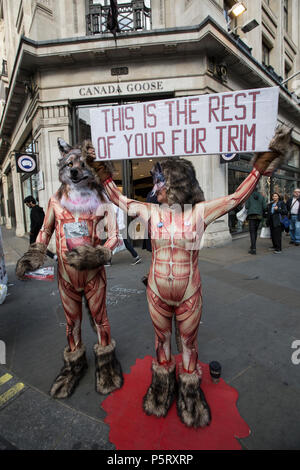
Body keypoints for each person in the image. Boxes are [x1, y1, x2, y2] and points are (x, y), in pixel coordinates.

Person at [85, 127, 291, 429]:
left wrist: (262, 164)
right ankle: (161, 387)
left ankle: (190, 395)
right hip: (156, 290)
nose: (156, 186)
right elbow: (116, 197)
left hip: (189, 293)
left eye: (160, 181)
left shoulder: (199, 213)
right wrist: (100, 169)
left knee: (189, 344)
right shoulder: (149, 211)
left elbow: (236, 197)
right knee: (161, 341)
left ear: (175, 183)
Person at [24, 196, 57, 260]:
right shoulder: (39, 209)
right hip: (39, 231)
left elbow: (38, 221)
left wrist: (32, 231)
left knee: (36, 248)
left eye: (27, 204)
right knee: (38, 248)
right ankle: (54, 257)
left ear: (31, 202)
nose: (27, 205)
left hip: (35, 234)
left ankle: (54, 257)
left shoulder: (34, 210)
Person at [245, 188, 267, 254]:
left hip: (251, 216)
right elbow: (264, 207)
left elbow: (246, 206)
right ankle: (253, 246)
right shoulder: (262, 197)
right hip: (259, 216)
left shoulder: (249, 196)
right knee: (255, 231)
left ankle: (253, 248)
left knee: (252, 232)